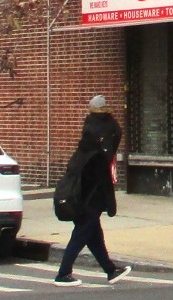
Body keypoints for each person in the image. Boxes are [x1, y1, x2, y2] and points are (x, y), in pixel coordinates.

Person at [53, 122, 128, 286]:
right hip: (91, 205)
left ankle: (111, 270)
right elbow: (105, 184)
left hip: (77, 204)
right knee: (79, 238)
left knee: (95, 240)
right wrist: (110, 206)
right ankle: (63, 273)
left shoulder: (79, 154)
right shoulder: (97, 157)